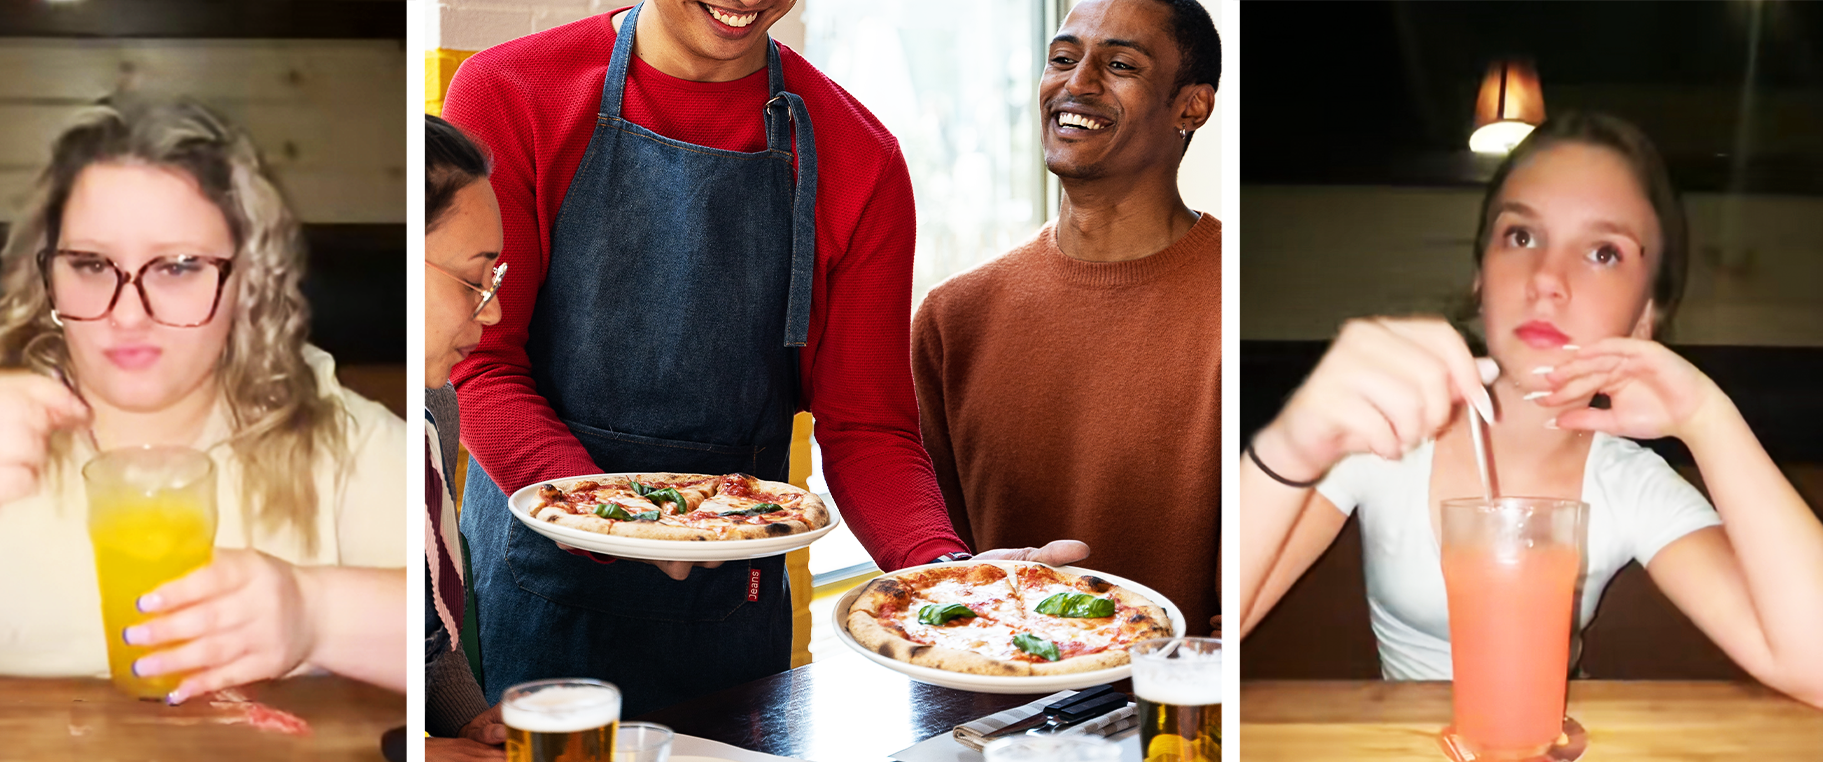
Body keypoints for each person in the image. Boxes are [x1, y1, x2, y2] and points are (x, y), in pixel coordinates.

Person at [440, 1, 1079, 715]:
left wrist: (942, 572)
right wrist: (613, 516)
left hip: (728, 613)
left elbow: (867, 427)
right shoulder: (509, 91)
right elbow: (480, 365)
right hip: (538, 586)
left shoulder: (858, 153)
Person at [0, 97, 408, 697]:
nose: (128, 315)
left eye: (177, 267)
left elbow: (457, 635)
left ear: (248, 281)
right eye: (91, 265)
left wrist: (316, 614)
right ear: (48, 277)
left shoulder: (326, 428)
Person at [1239, 111, 1823, 708]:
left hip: (1551, 751)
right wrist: (1290, 445)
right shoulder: (1389, 428)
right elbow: (1206, 624)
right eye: (1520, 236)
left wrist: (1707, 417)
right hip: (1400, 753)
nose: (1546, 278)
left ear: (1645, 315)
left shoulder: (1628, 483)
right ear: (1479, 278)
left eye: (1603, 252)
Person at [912, 0, 1221, 635]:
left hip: (1181, 694)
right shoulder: (952, 319)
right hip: (985, 689)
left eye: (1120, 65)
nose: (1077, 83)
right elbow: (930, 573)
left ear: (1191, 106)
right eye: (1061, 58)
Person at [423, 114, 508, 762]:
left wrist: (470, 722)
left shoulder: (436, 407)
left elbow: (433, 645)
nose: (493, 311)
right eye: (474, 281)